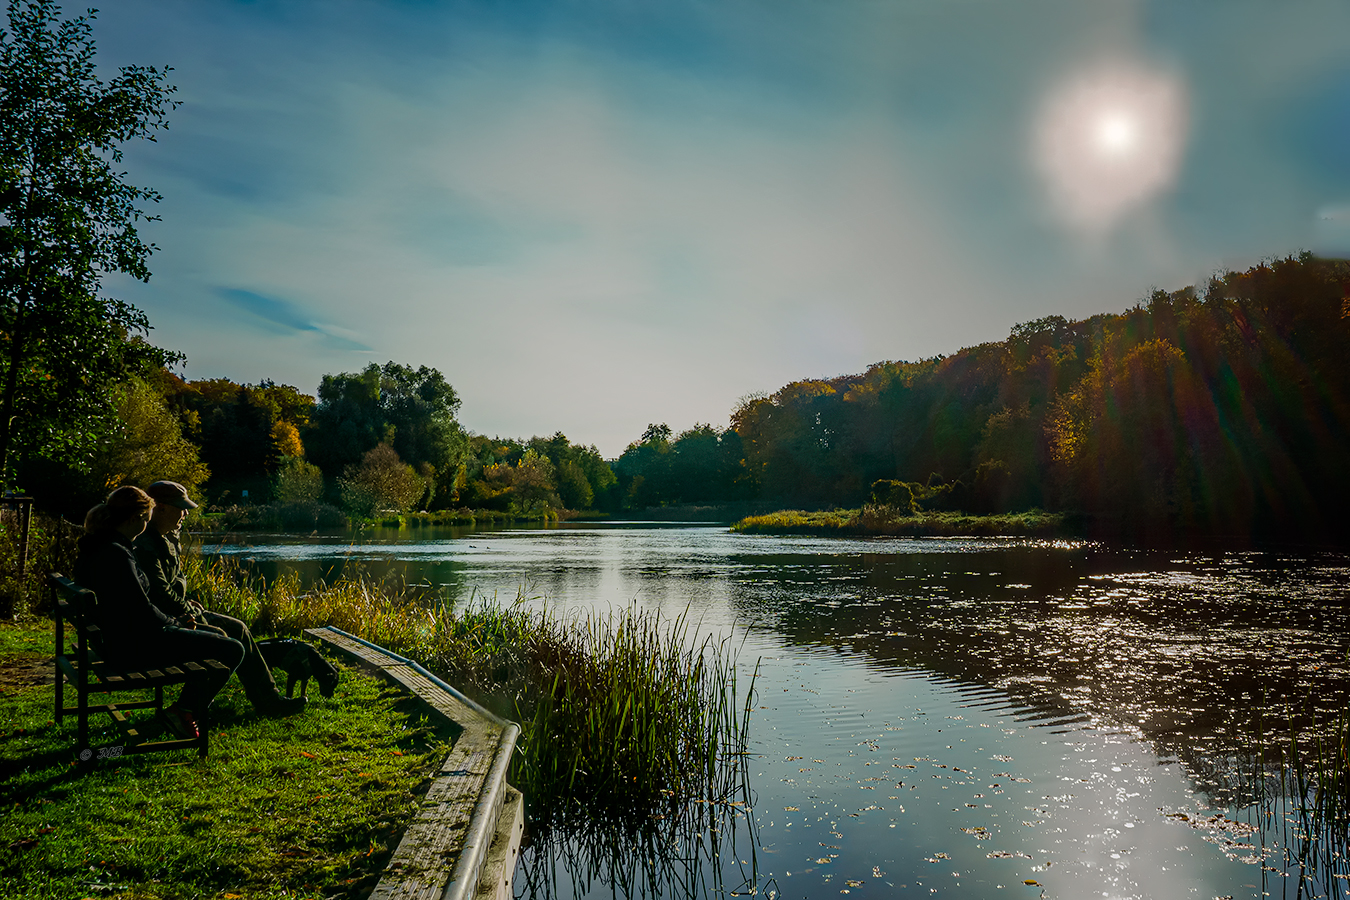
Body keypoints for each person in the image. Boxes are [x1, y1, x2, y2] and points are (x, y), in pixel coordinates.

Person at [73, 486, 246, 740]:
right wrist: (177, 623)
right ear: (135, 518)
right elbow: (142, 612)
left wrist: (176, 622)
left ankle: (185, 710)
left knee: (216, 637)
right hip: (133, 648)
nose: (146, 524)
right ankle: (184, 710)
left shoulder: (99, 547)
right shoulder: (117, 555)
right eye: (146, 519)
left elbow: (135, 606)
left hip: (117, 639)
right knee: (232, 649)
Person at [134, 480, 305, 718]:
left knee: (239, 627)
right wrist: (188, 611)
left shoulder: (167, 537)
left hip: (177, 613)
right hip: (168, 622)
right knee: (225, 638)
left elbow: (173, 585)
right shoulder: (145, 544)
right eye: (180, 507)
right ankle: (194, 704)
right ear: (160, 508)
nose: (185, 513)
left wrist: (188, 603)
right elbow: (160, 593)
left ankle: (268, 699)